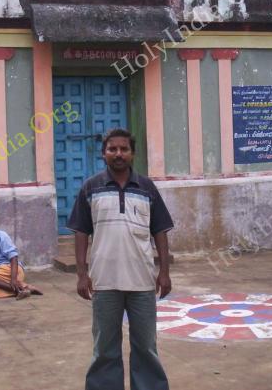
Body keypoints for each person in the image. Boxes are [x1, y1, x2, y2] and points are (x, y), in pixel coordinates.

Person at [68, 128, 173, 390]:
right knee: (105, 348)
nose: (118, 154)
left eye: (123, 149)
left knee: (146, 347)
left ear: (132, 154)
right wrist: (82, 274)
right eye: (112, 149)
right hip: (104, 283)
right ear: (103, 153)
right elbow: (81, 232)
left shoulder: (147, 188)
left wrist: (164, 272)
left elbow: (160, 231)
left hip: (142, 283)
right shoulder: (90, 187)